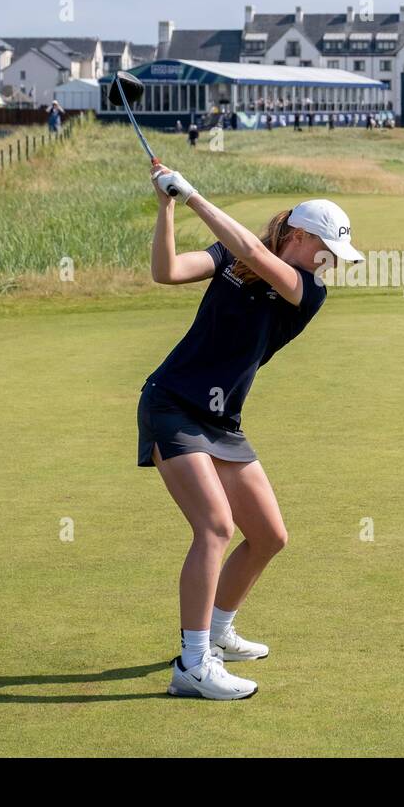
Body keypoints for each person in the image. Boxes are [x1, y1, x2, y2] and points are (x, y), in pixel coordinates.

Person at [139, 163, 363, 700]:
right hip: (171, 404)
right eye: (325, 249)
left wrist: (193, 195)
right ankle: (192, 665)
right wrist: (167, 205)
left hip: (222, 422)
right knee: (215, 527)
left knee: (268, 536)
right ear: (299, 236)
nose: (330, 261)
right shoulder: (228, 258)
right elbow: (166, 271)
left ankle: (215, 634)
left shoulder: (308, 290)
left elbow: (260, 256)